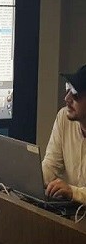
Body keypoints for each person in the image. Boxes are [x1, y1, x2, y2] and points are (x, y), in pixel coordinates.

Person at [41, 66, 86, 204]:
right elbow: (51, 166)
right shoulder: (63, 118)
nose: (67, 98)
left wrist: (73, 192)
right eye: (68, 89)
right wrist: (28, 180)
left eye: (75, 93)